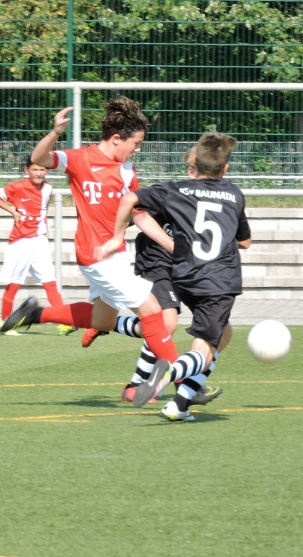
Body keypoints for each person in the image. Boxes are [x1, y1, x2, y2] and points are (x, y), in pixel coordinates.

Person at [0, 98, 182, 371]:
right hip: (96, 255)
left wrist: (174, 247)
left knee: (102, 321)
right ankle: (183, 380)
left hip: (116, 255)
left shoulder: (127, 170)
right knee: (153, 311)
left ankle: (35, 314)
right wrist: (55, 132)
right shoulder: (80, 159)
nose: (137, 149)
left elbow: (139, 214)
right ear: (117, 139)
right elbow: (39, 159)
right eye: (136, 143)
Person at [100, 132, 251, 420]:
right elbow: (245, 241)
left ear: (196, 165)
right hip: (218, 280)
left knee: (224, 333)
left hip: (184, 274)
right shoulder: (234, 194)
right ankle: (171, 372)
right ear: (225, 168)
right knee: (203, 347)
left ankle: (180, 405)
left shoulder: (175, 191)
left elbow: (131, 200)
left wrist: (116, 236)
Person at [84, 147, 227, 406]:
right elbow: (133, 210)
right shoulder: (172, 194)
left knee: (222, 330)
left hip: (186, 266)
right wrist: (113, 235)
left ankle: (105, 323)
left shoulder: (221, 198)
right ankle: (138, 385)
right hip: (156, 260)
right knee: (166, 322)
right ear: (192, 171)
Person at [0, 157, 68, 334]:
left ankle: (65, 322)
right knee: (14, 284)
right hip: (20, 242)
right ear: (27, 170)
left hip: (39, 241)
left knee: (50, 282)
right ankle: (4, 323)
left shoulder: (48, 189)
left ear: (47, 171)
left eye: (42, 170)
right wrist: (12, 211)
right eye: (35, 170)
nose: (38, 173)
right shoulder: (17, 187)